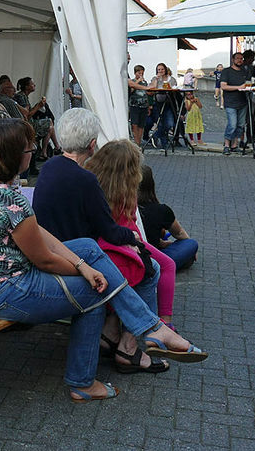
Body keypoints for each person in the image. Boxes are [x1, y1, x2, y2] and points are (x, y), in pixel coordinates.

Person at [0, 119, 206, 402]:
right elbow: (45, 261)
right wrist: (87, 274)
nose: (34, 151)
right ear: (16, 156)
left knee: (88, 248)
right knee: (96, 292)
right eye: (29, 148)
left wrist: (83, 264)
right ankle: (83, 382)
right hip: (3, 291)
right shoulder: (10, 200)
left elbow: (38, 230)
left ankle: (150, 329)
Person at [33, 108, 167, 373]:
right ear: (92, 144)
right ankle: (128, 349)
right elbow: (109, 231)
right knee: (149, 269)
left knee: (137, 264)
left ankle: (110, 334)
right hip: (73, 259)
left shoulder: (48, 168)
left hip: (53, 250)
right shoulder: (85, 179)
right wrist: (134, 238)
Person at [84, 140, 177, 326]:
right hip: (123, 241)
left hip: (104, 242)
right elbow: (132, 229)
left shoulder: (92, 185)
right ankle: (163, 323)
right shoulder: (126, 192)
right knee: (167, 264)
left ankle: (152, 325)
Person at [137, 165, 199, 270]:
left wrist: (162, 243)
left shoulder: (119, 206)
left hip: (134, 252)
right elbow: (179, 233)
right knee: (191, 243)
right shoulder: (161, 210)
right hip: (150, 257)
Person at [13, 77, 60, 156]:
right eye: (32, 84)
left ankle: (46, 151)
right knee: (50, 124)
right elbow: (27, 115)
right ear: (27, 87)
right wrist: (38, 106)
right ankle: (54, 148)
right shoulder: (21, 97)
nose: (34, 85)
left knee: (50, 126)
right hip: (28, 125)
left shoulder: (23, 96)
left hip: (29, 123)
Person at [220, 52, 250, 155]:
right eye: (237, 58)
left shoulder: (244, 71)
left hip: (243, 102)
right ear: (233, 59)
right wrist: (238, 87)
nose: (239, 60)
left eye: (241, 59)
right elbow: (223, 86)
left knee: (240, 125)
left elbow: (248, 83)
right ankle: (227, 145)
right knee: (232, 124)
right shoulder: (226, 71)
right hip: (230, 102)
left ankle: (234, 145)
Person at [149, 63, 177, 150]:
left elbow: (174, 88)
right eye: (159, 69)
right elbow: (152, 89)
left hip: (168, 103)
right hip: (158, 103)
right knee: (160, 123)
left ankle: (155, 135)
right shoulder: (155, 78)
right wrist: (157, 80)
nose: (160, 71)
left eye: (162, 69)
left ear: (165, 69)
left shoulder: (171, 79)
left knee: (169, 124)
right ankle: (164, 144)